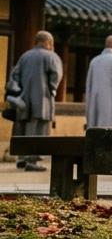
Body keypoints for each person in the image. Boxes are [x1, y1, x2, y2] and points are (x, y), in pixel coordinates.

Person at [7, 31, 62, 171]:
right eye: (52, 43)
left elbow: (14, 77)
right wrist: (53, 89)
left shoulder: (24, 56)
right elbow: (56, 75)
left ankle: (22, 159)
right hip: (42, 101)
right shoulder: (51, 56)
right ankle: (33, 161)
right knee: (39, 130)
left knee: (23, 129)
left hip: (23, 101)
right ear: (47, 42)